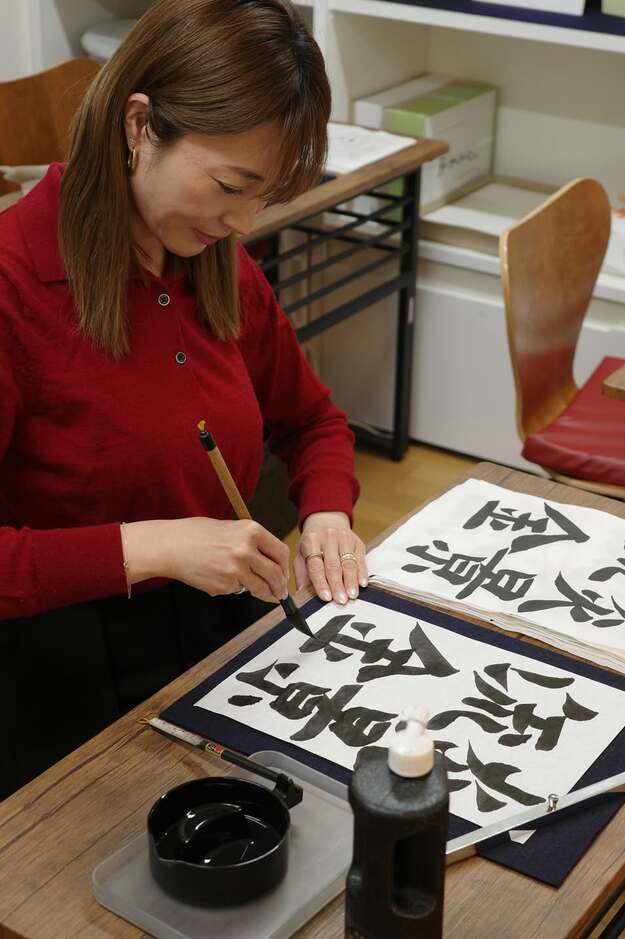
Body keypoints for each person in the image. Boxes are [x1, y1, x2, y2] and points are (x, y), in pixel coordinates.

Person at [0, 0, 367, 800]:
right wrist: (156, 547)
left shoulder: (211, 262)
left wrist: (328, 513)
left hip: (217, 635)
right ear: (140, 127)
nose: (243, 222)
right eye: (231, 186)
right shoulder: (14, 283)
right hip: (59, 674)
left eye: (264, 197)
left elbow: (314, 421)